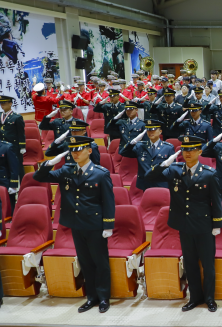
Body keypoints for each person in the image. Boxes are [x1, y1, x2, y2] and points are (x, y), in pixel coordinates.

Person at [35, 136, 115, 313]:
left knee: (100, 263)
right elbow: (39, 177)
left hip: (95, 225)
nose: (76, 153)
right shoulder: (66, 170)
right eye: (73, 150)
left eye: (79, 149)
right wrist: (50, 163)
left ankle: (103, 298)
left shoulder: (100, 173)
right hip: (76, 224)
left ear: (89, 151)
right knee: (85, 262)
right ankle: (91, 297)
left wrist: (108, 225)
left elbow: (108, 201)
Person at [146, 135, 222, 312]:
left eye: (192, 149)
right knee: (190, 263)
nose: (188, 153)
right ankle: (194, 297)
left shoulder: (209, 174)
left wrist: (217, 224)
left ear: (200, 151)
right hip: (185, 225)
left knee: (208, 264)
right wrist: (164, 163)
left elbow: (216, 201)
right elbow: (150, 177)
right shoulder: (174, 170)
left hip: (204, 226)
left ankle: (210, 298)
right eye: (185, 149)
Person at [119, 119, 175, 192]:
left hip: (161, 183)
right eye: (148, 130)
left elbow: (172, 169)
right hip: (145, 184)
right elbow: (123, 152)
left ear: (160, 131)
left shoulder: (168, 148)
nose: (150, 132)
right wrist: (133, 141)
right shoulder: (140, 146)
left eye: (153, 130)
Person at [0, 95, 26, 181]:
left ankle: (22, 185)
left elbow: (21, 133)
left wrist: (22, 146)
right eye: (1, 103)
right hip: (3, 146)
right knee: (4, 166)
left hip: (14, 146)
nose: (2, 105)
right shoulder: (0, 116)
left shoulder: (17, 117)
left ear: (10, 103)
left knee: (17, 167)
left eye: (4, 103)